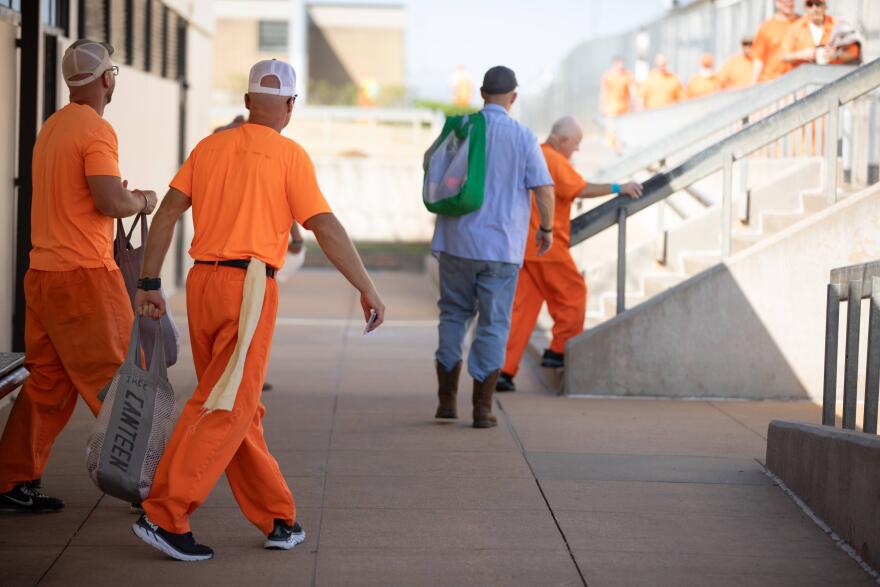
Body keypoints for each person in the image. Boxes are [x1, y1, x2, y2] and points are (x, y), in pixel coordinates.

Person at [130, 59, 385, 561]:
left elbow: (166, 215)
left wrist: (150, 282)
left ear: (247, 102)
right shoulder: (289, 156)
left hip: (202, 280)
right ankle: (165, 512)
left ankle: (277, 516)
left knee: (234, 402)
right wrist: (367, 287)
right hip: (249, 288)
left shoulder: (209, 147)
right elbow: (325, 227)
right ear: (290, 106)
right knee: (225, 405)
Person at [0, 40, 158, 513]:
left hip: (44, 275)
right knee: (122, 380)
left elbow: (81, 195)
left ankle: (10, 480)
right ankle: (149, 485)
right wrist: (143, 201)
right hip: (85, 278)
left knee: (47, 383)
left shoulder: (52, 128)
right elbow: (109, 200)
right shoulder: (96, 130)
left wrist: (117, 196)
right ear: (107, 79)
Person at [432, 65, 554, 429]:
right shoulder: (523, 136)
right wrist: (545, 228)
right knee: (494, 323)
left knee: (453, 314)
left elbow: (431, 166)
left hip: (455, 242)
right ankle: (482, 410)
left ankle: (446, 402)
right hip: (501, 248)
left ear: (482, 94)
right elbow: (544, 188)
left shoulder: (462, 128)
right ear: (512, 98)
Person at [497, 117, 642, 391]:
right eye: (575, 145)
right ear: (562, 140)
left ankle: (503, 370)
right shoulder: (553, 160)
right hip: (546, 246)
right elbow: (580, 188)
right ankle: (558, 351)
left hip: (523, 246)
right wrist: (618, 187)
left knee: (523, 310)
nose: (575, 151)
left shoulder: (534, 153)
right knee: (573, 294)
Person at [780, 1, 860, 68]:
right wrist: (801, 54)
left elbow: (855, 52)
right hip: (804, 79)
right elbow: (783, 56)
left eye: (818, 4)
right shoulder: (796, 28)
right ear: (805, 8)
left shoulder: (837, 25)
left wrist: (836, 55)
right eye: (810, 4)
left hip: (832, 77)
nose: (814, 9)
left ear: (825, 7)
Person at [752, 0, 799, 83]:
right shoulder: (767, 27)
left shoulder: (802, 22)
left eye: (791, 1)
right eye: (785, 2)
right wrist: (753, 83)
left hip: (796, 81)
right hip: (771, 81)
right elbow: (759, 59)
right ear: (777, 3)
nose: (789, 3)